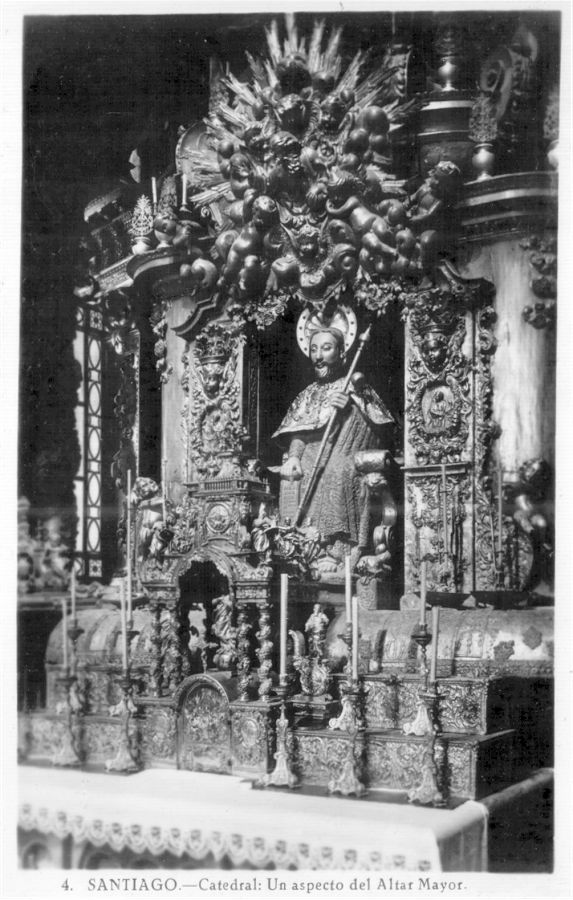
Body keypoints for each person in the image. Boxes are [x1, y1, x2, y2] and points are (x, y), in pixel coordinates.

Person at [273, 325, 393, 571]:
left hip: (347, 450)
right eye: (314, 349)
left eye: (326, 348)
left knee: (335, 471)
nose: (318, 356)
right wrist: (294, 457)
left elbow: (380, 429)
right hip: (314, 454)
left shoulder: (354, 386)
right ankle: (301, 547)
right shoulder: (308, 394)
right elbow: (300, 432)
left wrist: (351, 408)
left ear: (342, 354)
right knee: (296, 472)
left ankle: (337, 551)